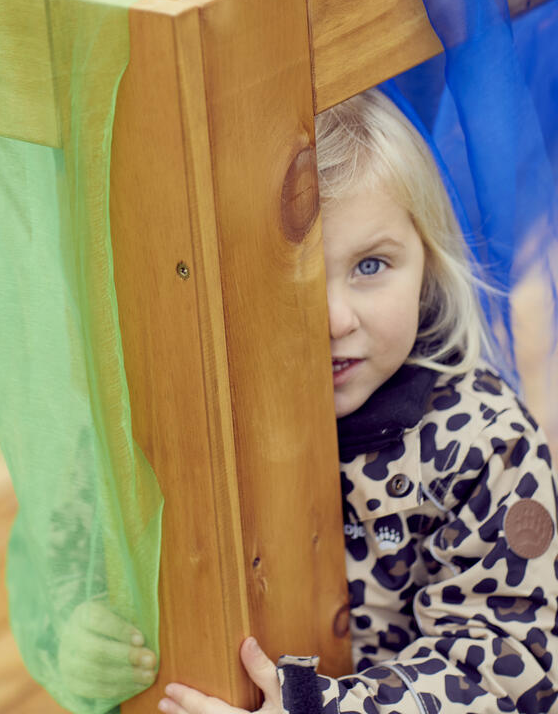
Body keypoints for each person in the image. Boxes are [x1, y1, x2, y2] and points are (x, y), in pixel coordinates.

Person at [69, 87, 558, 712]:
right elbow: (85, 554)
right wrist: (86, 635)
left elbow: (510, 667)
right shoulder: (179, 421)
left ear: (428, 265)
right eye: (289, 273)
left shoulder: (487, 443)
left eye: (371, 265)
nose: (333, 319)